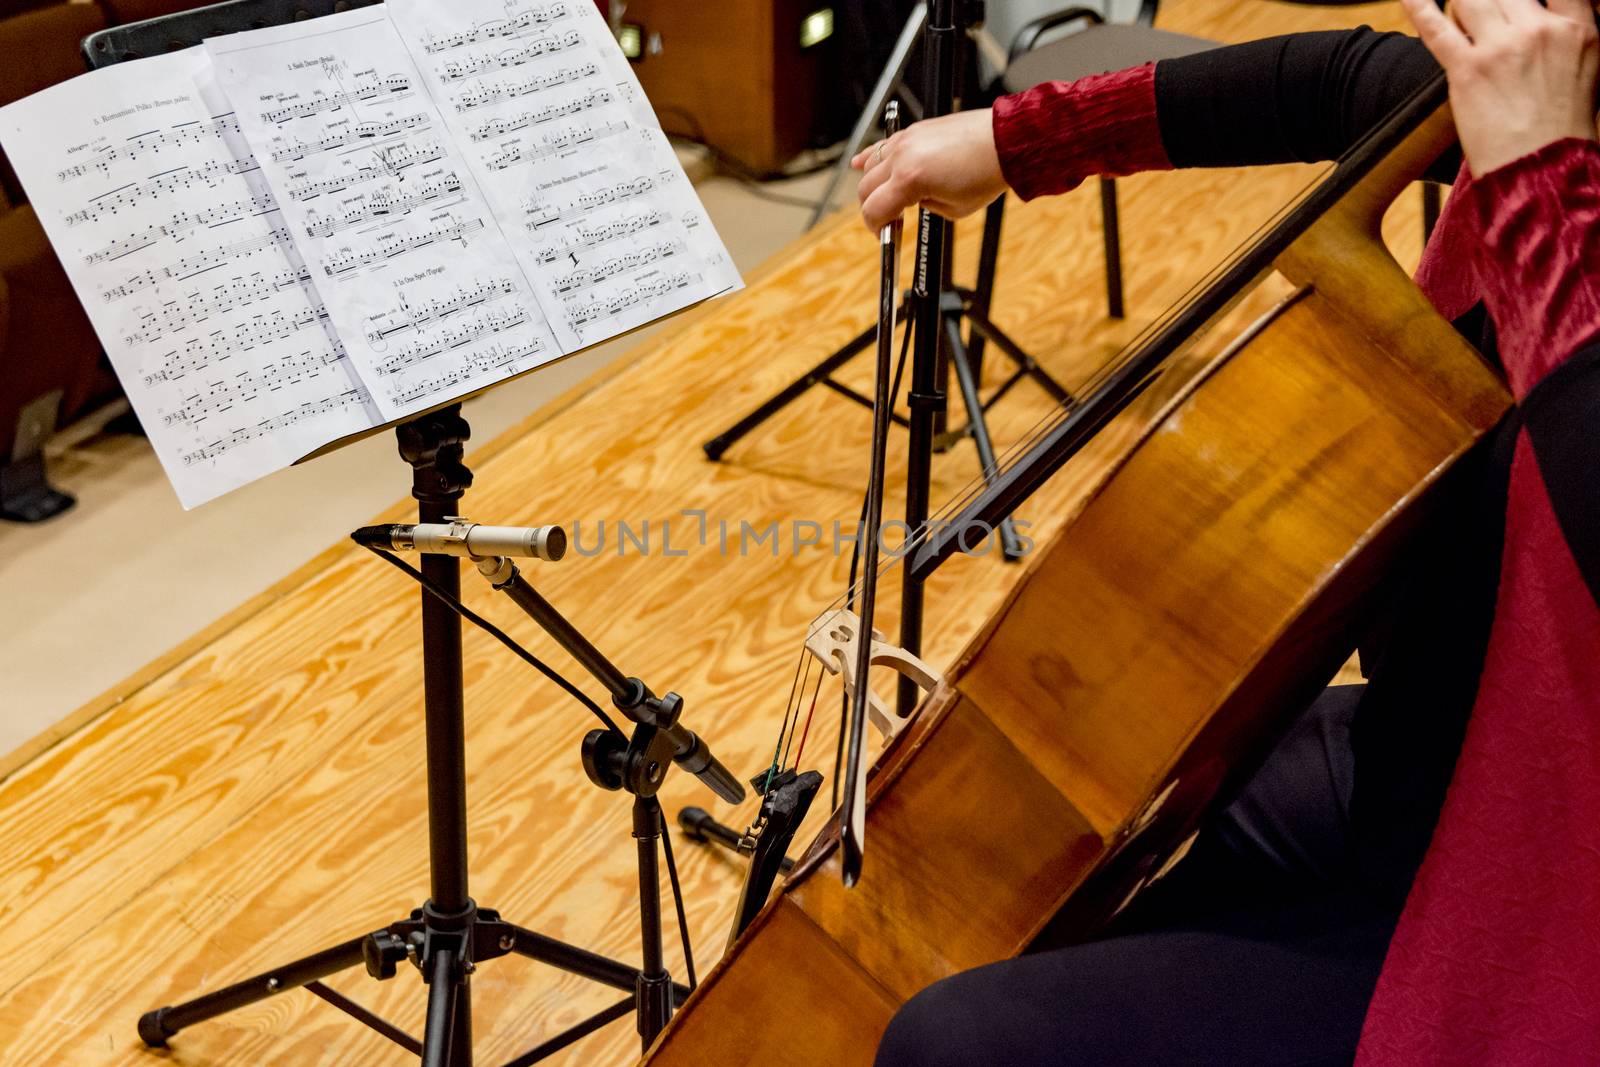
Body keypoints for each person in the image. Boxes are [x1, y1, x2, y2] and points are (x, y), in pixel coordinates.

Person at [853, 0, 1600, 1062]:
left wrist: (1538, 181)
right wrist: (1008, 142)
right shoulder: (1553, 117)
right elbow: (1337, 81)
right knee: (1040, 846)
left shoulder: (1550, 167)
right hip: (1439, 759)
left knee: (953, 1040)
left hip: (1546, 905)